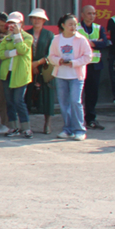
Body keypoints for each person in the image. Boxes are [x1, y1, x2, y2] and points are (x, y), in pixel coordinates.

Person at [49, 13, 93, 141]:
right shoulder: (56, 39)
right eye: (70, 24)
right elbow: (51, 56)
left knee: (75, 101)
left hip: (76, 75)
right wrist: (59, 61)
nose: (73, 27)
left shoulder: (81, 39)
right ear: (63, 26)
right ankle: (67, 129)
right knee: (63, 103)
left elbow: (88, 56)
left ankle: (79, 129)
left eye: (75, 24)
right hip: (61, 75)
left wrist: (74, 63)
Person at [0, 12, 33, 139]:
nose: (12, 25)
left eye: (15, 23)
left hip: (21, 74)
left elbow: (23, 49)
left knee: (19, 101)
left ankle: (26, 128)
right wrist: (14, 52)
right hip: (7, 73)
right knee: (10, 101)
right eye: (10, 23)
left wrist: (18, 35)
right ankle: (13, 127)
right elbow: (1, 54)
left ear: (21, 24)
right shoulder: (6, 38)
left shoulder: (27, 37)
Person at [77, 5, 109, 130]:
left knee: (92, 93)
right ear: (83, 15)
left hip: (95, 65)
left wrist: (89, 43)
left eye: (94, 13)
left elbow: (104, 43)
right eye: (89, 13)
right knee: (78, 93)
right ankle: (78, 119)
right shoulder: (77, 28)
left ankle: (91, 118)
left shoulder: (99, 28)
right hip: (80, 65)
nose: (92, 16)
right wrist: (96, 43)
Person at [26, 9, 56, 135]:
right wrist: (31, 65)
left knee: (47, 94)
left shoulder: (49, 35)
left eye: (39, 18)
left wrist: (38, 63)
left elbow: (52, 53)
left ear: (44, 20)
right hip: (27, 67)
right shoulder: (26, 33)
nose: (36, 21)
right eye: (34, 18)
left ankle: (47, 123)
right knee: (27, 94)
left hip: (44, 68)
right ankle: (26, 124)